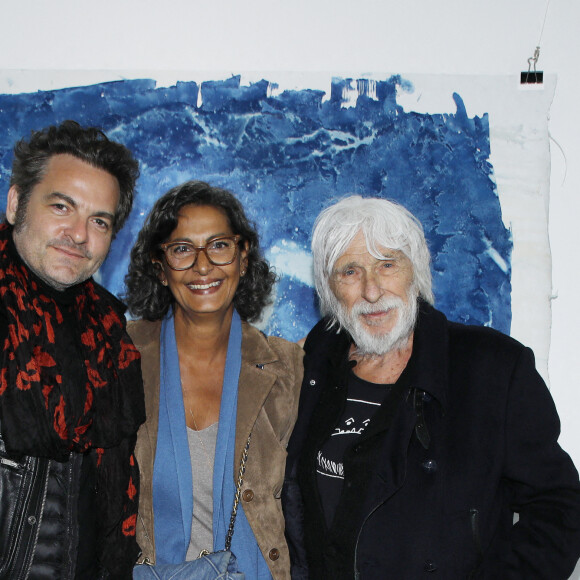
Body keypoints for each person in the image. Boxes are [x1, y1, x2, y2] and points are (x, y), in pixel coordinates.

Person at [283, 195, 580, 579]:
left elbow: (558, 505)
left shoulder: (492, 368)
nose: (372, 292)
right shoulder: (311, 369)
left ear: (416, 271)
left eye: (387, 265)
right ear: (329, 287)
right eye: (350, 272)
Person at [125, 181, 303, 579]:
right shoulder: (122, 355)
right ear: (159, 266)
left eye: (219, 245)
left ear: (243, 257)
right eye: (182, 249)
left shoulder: (288, 369)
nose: (203, 266)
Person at [0, 120, 145, 579]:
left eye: (98, 221)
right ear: (16, 202)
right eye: (62, 206)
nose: (79, 234)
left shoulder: (111, 336)